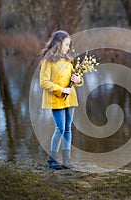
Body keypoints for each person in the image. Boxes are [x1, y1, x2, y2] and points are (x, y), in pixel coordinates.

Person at [39, 30, 82, 170]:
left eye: (69, 44)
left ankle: (67, 160)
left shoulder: (69, 59)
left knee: (68, 129)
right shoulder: (48, 61)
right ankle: (52, 160)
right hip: (56, 99)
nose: (68, 47)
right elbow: (43, 82)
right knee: (60, 128)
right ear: (58, 44)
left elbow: (76, 79)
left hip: (70, 99)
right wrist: (61, 90)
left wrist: (78, 80)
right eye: (66, 44)